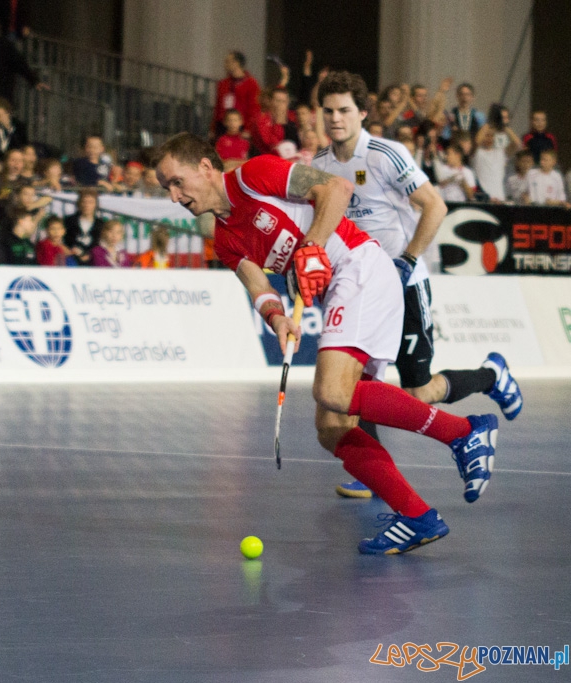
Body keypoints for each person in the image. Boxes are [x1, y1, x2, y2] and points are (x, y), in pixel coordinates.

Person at [154, 132, 502, 555]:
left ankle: (465, 432)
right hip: (340, 288)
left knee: (332, 392)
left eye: (176, 182)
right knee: (331, 429)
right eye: (165, 188)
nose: (174, 196)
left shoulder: (255, 175)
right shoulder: (225, 238)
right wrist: (275, 315)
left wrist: (311, 245)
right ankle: (417, 516)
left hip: (359, 268)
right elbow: (257, 284)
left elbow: (336, 189)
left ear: (205, 168)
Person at [312, 71, 522, 499]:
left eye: (344, 110)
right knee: (356, 382)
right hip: (360, 288)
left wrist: (408, 260)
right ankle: (367, 472)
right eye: (329, 111)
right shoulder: (317, 166)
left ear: (363, 113)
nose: (336, 118)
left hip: (405, 284)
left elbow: (435, 205)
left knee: (417, 390)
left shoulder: (386, 154)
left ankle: (490, 375)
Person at [210, 50, 260, 138]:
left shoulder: (251, 84)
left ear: (236, 63)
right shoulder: (223, 83)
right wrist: (213, 129)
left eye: (228, 61)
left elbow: (254, 108)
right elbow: (217, 107)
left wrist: (248, 129)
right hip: (223, 125)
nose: (225, 64)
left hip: (240, 126)